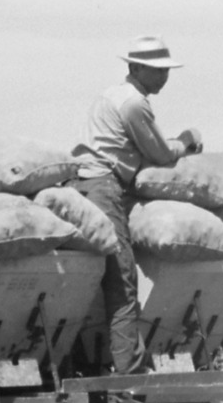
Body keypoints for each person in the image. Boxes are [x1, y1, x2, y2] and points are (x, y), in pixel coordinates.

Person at [72, 35, 204, 374]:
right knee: (122, 278)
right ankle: (130, 370)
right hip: (104, 187)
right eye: (157, 70)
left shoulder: (112, 96)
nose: (164, 77)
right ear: (135, 68)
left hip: (88, 183)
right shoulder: (134, 103)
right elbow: (159, 153)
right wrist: (185, 142)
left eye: (166, 70)